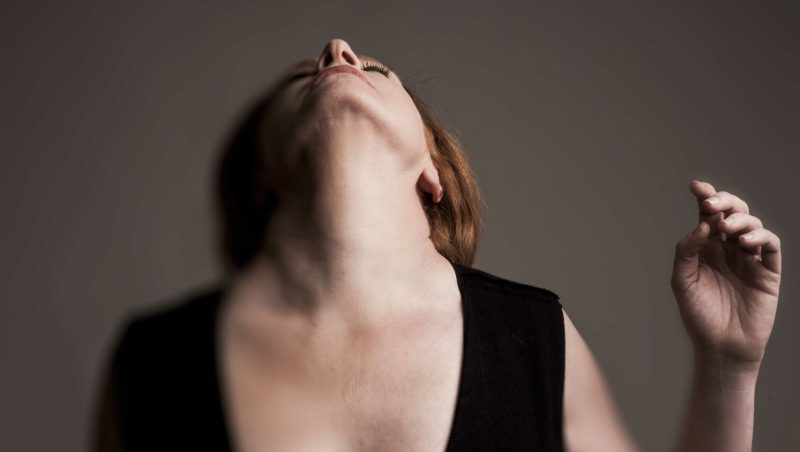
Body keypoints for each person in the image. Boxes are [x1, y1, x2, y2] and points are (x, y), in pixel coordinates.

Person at [93, 38, 783, 452]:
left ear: (434, 173)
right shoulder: (155, 358)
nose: (338, 50)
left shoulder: (534, 336)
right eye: (304, 76)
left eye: (376, 70)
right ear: (262, 177)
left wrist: (728, 364)